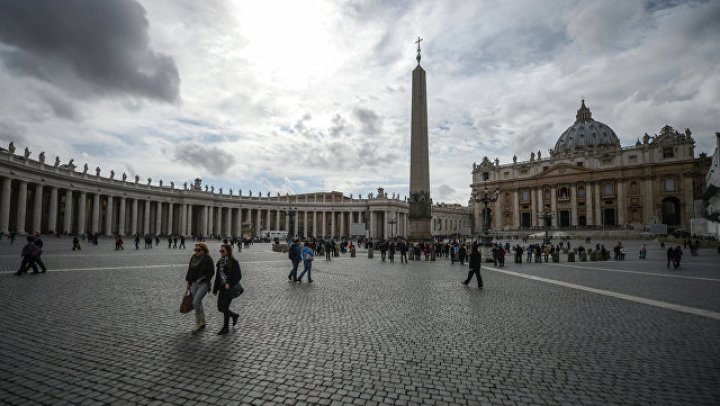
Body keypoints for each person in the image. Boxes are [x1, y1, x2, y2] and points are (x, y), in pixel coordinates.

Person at [185, 242, 214, 334]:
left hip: (204, 284)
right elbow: (190, 270)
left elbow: (211, 272)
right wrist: (189, 282)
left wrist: (203, 278)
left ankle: (198, 323)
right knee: (198, 302)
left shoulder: (208, 259)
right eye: (195, 250)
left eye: (198, 250)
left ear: (204, 250)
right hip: (193, 282)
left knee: (195, 302)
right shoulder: (193, 258)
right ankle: (202, 322)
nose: (196, 251)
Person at [212, 244, 242, 335]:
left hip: (229, 288)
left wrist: (230, 284)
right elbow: (218, 277)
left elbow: (238, 276)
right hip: (222, 287)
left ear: (228, 251)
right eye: (220, 251)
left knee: (225, 307)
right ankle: (234, 315)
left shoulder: (234, 262)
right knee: (220, 308)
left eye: (223, 251)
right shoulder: (220, 262)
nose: (221, 252)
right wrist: (215, 289)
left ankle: (225, 328)